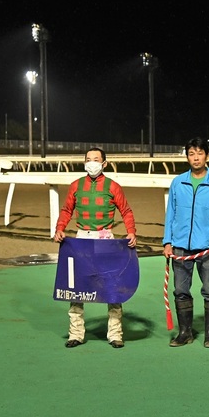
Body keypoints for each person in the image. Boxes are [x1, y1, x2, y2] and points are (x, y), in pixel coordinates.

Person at [54, 147, 137, 349]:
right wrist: (59, 228)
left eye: (96, 159)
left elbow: (126, 211)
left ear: (104, 164)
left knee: (112, 287)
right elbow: (66, 210)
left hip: (105, 239)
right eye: (88, 159)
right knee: (76, 289)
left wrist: (131, 232)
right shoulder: (76, 186)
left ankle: (115, 334)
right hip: (81, 240)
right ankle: (76, 334)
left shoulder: (113, 187)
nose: (92, 163)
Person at [163, 137, 209, 348]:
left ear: (206, 156)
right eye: (191, 154)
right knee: (180, 290)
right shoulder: (178, 182)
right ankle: (185, 333)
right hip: (180, 247)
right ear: (187, 157)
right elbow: (170, 214)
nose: (196, 158)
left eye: (200, 153)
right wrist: (167, 242)